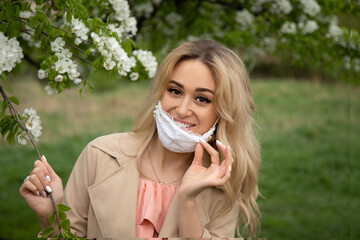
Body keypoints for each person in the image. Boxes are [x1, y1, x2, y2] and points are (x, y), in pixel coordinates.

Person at [19, 39, 261, 238]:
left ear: (225, 112)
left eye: (202, 99)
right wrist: (49, 214)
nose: (182, 109)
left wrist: (188, 201)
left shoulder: (223, 184)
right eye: (175, 91)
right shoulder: (100, 154)